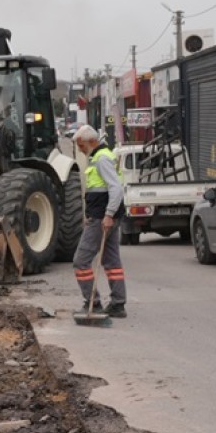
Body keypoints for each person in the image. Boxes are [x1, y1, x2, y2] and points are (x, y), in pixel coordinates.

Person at [72, 125, 127, 317]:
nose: (80, 149)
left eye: (81, 145)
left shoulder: (102, 158)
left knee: (81, 261)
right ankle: (118, 304)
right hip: (104, 217)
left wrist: (108, 215)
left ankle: (93, 303)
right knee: (111, 261)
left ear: (92, 141)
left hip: (102, 218)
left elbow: (116, 189)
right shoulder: (101, 156)